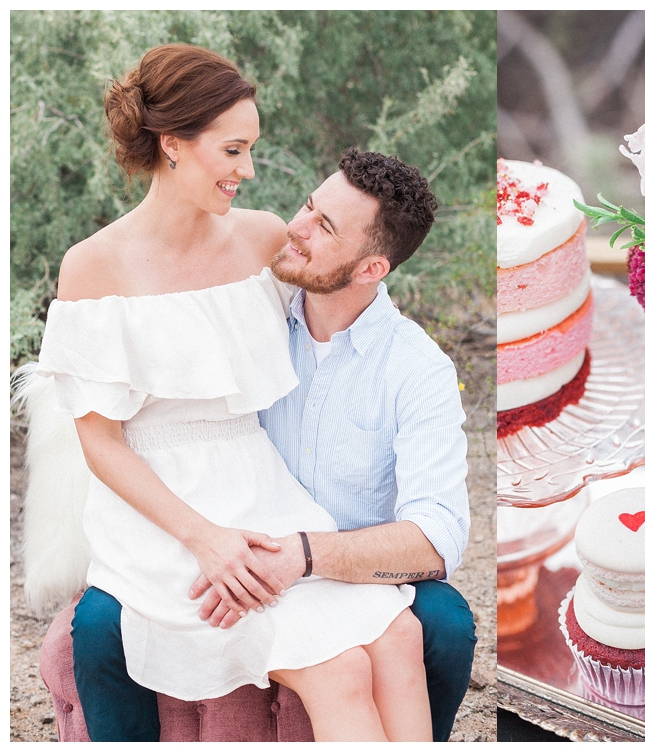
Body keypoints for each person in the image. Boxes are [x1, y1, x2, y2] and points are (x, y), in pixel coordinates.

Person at [36, 44, 450, 742]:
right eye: (232, 150)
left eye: (252, 149)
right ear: (172, 144)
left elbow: (346, 283)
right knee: (339, 670)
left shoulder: (259, 238)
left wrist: (409, 370)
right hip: (165, 508)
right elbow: (100, 443)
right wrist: (207, 541)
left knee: (399, 641)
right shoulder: (93, 265)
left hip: (259, 485)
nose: (249, 171)